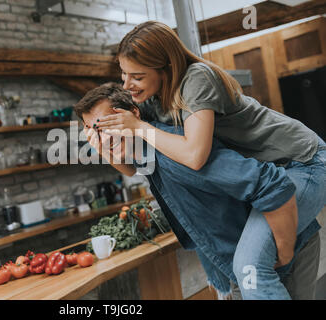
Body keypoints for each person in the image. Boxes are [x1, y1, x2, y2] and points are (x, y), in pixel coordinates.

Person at [93, 21, 325, 299]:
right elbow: (131, 168)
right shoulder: (152, 99)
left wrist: (139, 127)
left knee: (248, 266)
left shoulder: (196, 78)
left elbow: (195, 155)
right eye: (123, 75)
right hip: (271, 172)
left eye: (137, 76)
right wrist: (102, 146)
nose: (127, 85)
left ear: (166, 67)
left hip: (303, 162)